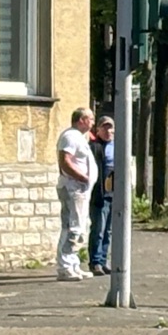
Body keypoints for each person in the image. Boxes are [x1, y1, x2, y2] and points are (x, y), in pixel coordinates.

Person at [55, 108, 95, 282]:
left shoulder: (78, 137)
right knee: (74, 227)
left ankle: (73, 263)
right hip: (74, 189)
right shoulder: (70, 137)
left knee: (80, 226)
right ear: (82, 120)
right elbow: (65, 161)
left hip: (80, 189)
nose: (93, 123)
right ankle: (65, 266)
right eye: (91, 119)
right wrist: (83, 177)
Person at [87, 114, 115, 275]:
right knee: (98, 228)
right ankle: (95, 261)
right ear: (97, 130)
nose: (108, 130)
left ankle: (103, 261)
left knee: (108, 231)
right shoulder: (93, 146)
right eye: (104, 127)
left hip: (113, 192)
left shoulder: (117, 146)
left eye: (110, 127)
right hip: (99, 193)